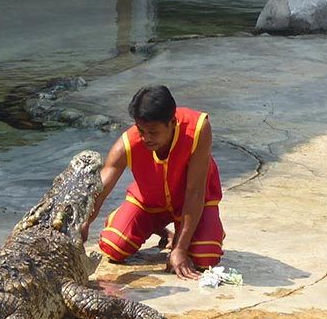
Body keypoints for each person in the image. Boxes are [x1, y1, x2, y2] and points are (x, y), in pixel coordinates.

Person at [84, 85, 225, 281]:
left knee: (205, 256)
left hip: (192, 201)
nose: (145, 138)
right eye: (141, 130)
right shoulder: (127, 144)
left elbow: (195, 192)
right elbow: (99, 190)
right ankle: (158, 229)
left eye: (153, 132)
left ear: (172, 122)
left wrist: (180, 249)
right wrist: (84, 224)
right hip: (149, 202)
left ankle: (192, 232)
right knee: (113, 246)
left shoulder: (199, 129)